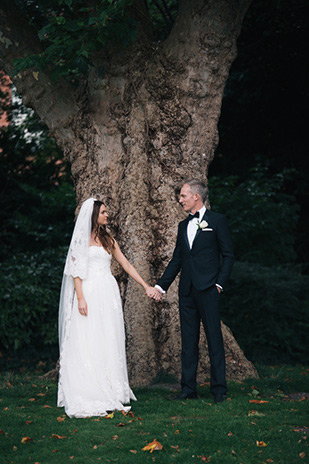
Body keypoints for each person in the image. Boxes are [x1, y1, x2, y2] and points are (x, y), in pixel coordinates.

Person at [57, 198, 159, 418]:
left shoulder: (108, 239)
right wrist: (81, 298)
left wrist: (145, 285)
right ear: (93, 215)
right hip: (89, 292)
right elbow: (76, 271)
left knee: (108, 336)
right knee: (89, 336)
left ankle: (111, 385)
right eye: (103, 212)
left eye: (106, 211)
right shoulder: (81, 240)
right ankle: (89, 386)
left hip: (107, 292)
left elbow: (126, 264)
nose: (107, 214)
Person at [155, 179, 234, 403]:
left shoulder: (217, 221)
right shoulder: (183, 226)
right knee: (188, 342)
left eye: (183, 196)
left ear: (196, 197)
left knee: (214, 340)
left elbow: (228, 255)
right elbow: (177, 260)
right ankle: (188, 389)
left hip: (209, 289)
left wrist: (219, 284)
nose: (180, 200)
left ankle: (219, 390)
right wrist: (161, 285)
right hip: (187, 291)